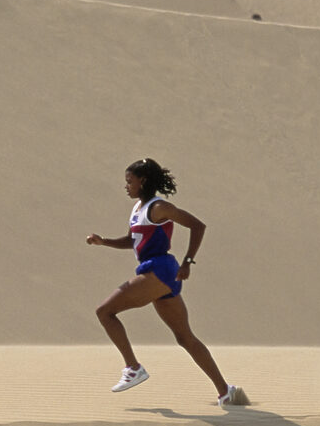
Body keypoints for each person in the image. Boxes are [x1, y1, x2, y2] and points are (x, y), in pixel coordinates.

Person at [86, 157, 246, 407]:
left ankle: (133, 368)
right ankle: (226, 391)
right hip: (160, 274)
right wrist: (103, 241)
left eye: (129, 181)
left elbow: (198, 226)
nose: (126, 186)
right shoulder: (138, 208)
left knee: (104, 312)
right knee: (185, 338)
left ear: (143, 181)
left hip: (158, 270)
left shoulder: (159, 207)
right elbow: (132, 241)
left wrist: (188, 262)